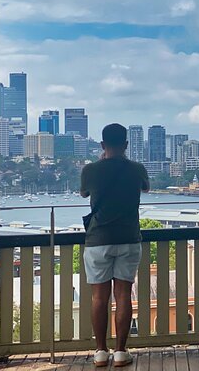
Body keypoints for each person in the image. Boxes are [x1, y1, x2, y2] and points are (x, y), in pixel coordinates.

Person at [80, 123, 150, 367]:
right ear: (126, 145)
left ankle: (100, 351)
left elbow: (84, 194)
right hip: (129, 239)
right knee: (123, 296)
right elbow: (146, 188)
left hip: (98, 240)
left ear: (102, 145)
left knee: (99, 297)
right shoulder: (137, 169)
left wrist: (102, 161)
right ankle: (121, 351)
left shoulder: (90, 170)